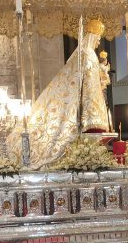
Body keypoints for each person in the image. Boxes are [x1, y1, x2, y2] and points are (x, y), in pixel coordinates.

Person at [10, 19, 111, 169]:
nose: (98, 43)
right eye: (97, 39)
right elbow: (90, 89)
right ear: (92, 37)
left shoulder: (82, 53)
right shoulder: (89, 55)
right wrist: (93, 117)